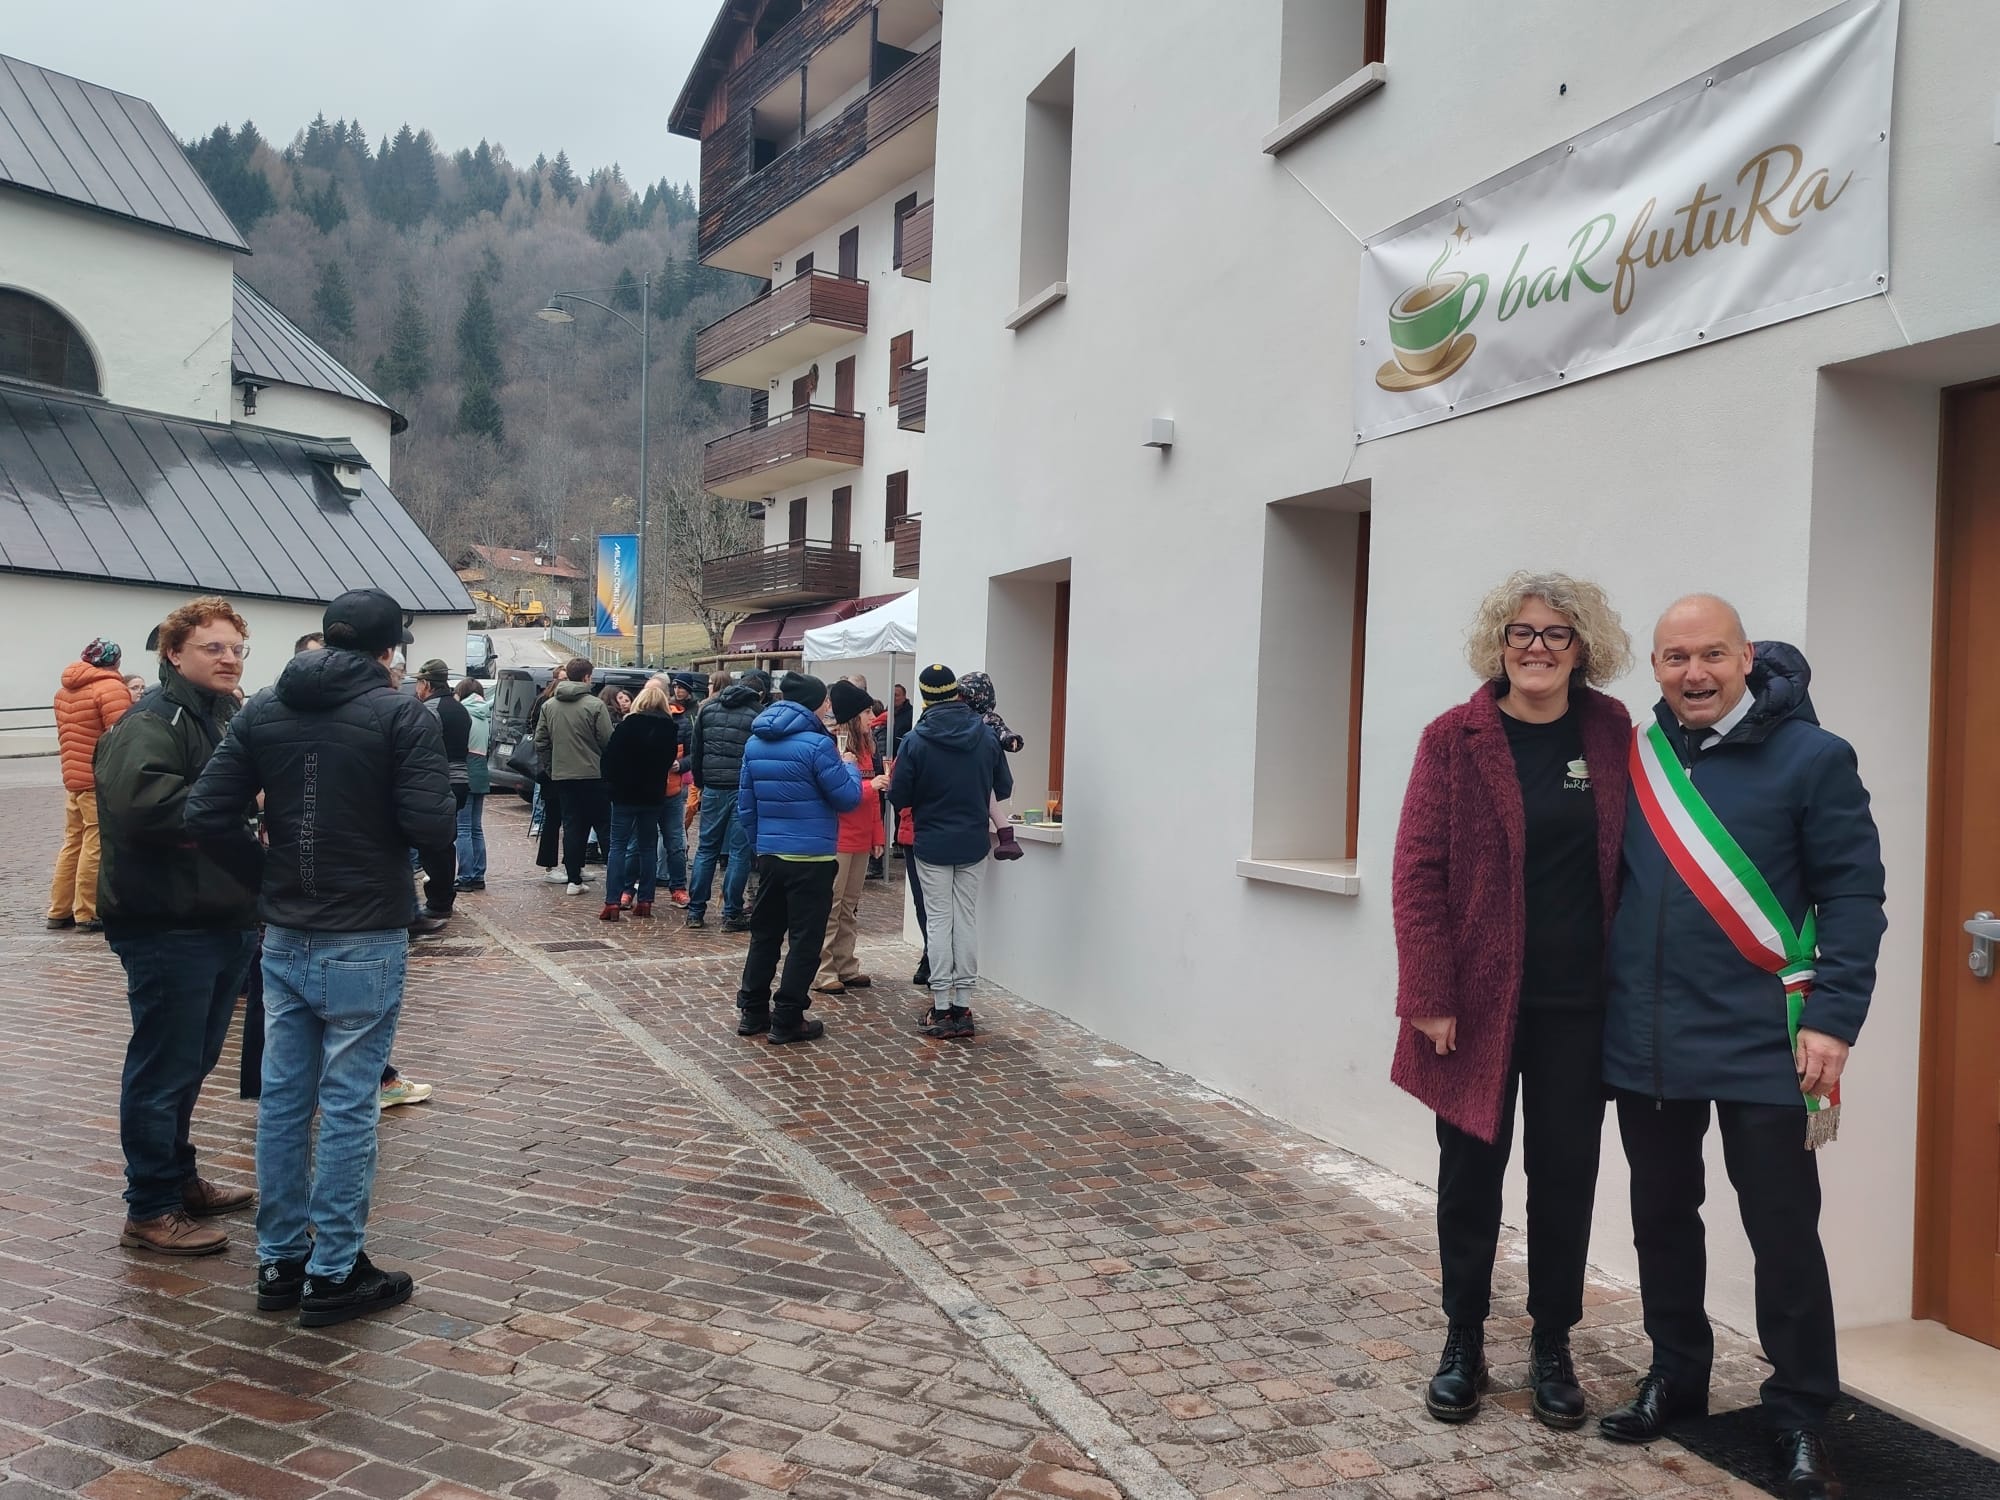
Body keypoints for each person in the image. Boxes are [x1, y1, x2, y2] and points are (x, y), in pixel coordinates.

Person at [1597, 596, 1884, 1499]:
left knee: (1782, 1233)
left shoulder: (1815, 757)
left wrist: (1835, 1017)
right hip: (1648, 1037)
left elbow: (1853, 896)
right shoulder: (1636, 757)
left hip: (1768, 1040)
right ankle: (1677, 1373)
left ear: (1746, 656)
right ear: (1655, 666)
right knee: (1661, 1218)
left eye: (1713, 655)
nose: (1695, 674)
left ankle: (1799, 1413)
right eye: (1675, 657)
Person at [1389, 572, 1635, 1429]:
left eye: (1555, 634)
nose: (1536, 647)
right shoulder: (1453, 738)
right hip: (1474, 1006)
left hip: (1580, 1006)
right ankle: (1463, 1339)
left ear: (1581, 648)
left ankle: (1552, 1342)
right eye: (1521, 633)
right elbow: (1417, 869)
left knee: (1564, 1177)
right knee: (1469, 1181)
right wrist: (1428, 991)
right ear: (1499, 645)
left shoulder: (1610, 732)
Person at [188, 587, 455, 1326]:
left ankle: (281, 1259)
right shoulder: (401, 713)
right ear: (388, 649)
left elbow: (205, 813)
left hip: (287, 930)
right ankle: (333, 1271)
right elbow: (432, 824)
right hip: (361, 928)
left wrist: (267, 877)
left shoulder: (264, 708)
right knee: (345, 1105)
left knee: (284, 1101)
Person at [94, 598, 262, 1255]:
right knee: (163, 1067)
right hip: (167, 921)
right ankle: (150, 1207)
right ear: (173, 653)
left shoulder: (218, 715)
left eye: (236, 649)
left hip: (219, 913)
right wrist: (243, 800)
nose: (228, 659)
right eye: (212, 648)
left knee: (191, 1062)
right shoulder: (152, 719)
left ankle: (177, 1178)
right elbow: (144, 807)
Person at [732, 674, 861, 1044]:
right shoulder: (818, 745)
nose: (828, 707)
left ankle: (753, 1010)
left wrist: (761, 846)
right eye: (825, 701)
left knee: (765, 935)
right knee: (805, 940)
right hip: (812, 857)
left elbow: (746, 806)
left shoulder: (756, 742)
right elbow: (847, 798)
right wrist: (850, 766)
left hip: (771, 854)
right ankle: (788, 1017)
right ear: (814, 703)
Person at [888, 664, 1013, 1039]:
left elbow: (898, 795)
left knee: (940, 920)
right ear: (956, 692)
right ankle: (963, 1004)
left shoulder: (915, 740)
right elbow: (1003, 786)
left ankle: (942, 1007)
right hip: (973, 841)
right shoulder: (986, 735)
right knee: (966, 918)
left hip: (932, 842)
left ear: (926, 697)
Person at [48, 637, 134, 933]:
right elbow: (122, 735)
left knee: (72, 842)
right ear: (115, 661)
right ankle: (86, 911)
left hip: (73, 777)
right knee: (95, 843)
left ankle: (59, 909)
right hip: (98, 778)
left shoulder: (64, 690)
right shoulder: (110, 688)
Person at [814, 680, 887, 995]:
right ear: (854, 716)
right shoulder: (833, 746)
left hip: (860, 837)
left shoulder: (868, 749)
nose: (872, 717)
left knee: (849, 906)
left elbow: (873, 802)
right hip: (838, 837)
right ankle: (823, 970)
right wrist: (871, 787)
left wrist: (877, 835)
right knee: (832, 905)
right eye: (867, 712)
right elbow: (838, 794)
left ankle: (846, 964)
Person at [686, 669, 768, 930]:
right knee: (738, 853)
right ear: (759, 693)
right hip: (742, 789)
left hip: (712, 786)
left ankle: (695, 911)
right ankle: (731, 913)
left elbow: (696, 750)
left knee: (706, 849)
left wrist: (700, 783)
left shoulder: (708, 709)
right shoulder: (757, 713)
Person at [599, 678, 678, 920]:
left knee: (618, 846)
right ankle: (645, 899)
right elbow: (668, 761)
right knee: (647, 847)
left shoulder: (627, 726)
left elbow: (609, 759)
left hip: (624, 793)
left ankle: (613, 901)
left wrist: (611, 784)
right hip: (652, 794)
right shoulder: (669, 729)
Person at [535, 658, 615, 895]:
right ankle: (615, 878)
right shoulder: (595, 705)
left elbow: (541, 741)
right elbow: (608, 740)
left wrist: (553, 768)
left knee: (572, 826)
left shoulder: (549, 705)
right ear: (587, 677)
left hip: (563, 776)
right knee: (604, 826)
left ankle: (573, 880)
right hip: (594, 774)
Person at [411, 659, 470, 923]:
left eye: (418, 683)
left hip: (438, 781)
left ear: (426, 684)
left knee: (432, 845)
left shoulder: (430, 710)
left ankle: (439, 900)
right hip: (461, 780)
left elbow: (424, 749)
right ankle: (444, 897)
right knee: (445, 842)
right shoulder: (460, 708)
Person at [957, 670, 1027, 862]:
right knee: (989, 801)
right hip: (978, 772)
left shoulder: (988, 718)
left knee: (990, 801)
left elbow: (1002, 731)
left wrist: (1011, 740)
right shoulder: (962, 718)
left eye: (963, 695)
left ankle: (1007, 838)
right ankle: (1007, 838)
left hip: (983, 772)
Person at [454, 679, 489, 892]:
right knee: (476, 827)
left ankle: (465, 875)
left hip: (466, 769)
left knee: (463, 827)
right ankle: (478, 873)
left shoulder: (463, 712)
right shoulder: (484, 713)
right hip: (481, 769)